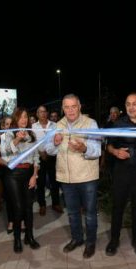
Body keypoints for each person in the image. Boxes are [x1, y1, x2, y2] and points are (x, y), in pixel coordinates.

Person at [45, 93, 101, 258]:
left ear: (79, 106)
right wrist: (54, 143)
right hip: (66, 178)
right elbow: (48, 150)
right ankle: (77, 239)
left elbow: (97, 150)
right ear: (62, 108)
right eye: (67, 107)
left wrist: (84, 148)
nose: (70, 110)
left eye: (73, 106)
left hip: (87, 177)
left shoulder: (90, 123)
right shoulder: (56, 126)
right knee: (72, 212)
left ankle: (90, 242)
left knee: (90, 213)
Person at [105, 93, 136, 257]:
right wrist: (115, 151)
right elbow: (108, 146)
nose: (131, 107)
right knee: (117, 207)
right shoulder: (118, 123)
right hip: (121, 172)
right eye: (128, 104)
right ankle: (114, 239)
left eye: (135, 104)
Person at [0, 108, 40, 253]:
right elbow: (5, 152)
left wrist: (34, 175)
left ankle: (29, 236)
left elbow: (36, 157)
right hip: (13, 174)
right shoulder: (8, 134)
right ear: (16, 119)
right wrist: (17, 139)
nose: (24, 120)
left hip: (29, 172)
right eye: (21, 117)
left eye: (26, 117)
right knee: (17, 208)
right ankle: (17, 239)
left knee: (29, 207)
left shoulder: (32, 134)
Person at [32, 105, 62, 216]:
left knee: (55, 181)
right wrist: (40, 153)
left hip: (53, 157)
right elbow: (33, 143)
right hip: (40, 158)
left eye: (45, 111)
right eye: (40, 112)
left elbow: (58, 140)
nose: (43, 114)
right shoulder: (33, 127)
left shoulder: (54, 125)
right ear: (37, 114)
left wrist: (50, 151)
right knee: (40, 183)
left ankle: (56, 203)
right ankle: (42, 205)